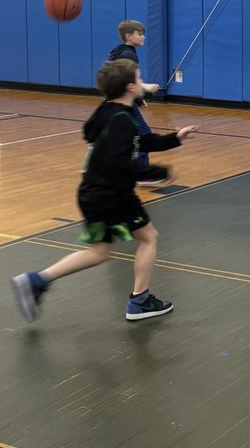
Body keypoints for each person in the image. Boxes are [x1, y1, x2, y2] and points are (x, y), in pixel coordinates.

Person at [12, 59, 197, 324]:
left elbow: (138, 142)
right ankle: (140, 300)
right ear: (131, 86)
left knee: (99, 252)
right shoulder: (122, 120)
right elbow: (120, 162)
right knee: (148, 237)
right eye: (139, 77)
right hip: (113, 196)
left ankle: (37, 281)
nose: (143, 81)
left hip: (92, 194)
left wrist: (175, 138)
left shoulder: (109, 112)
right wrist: (159, 173)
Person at [106, 20, 159, 167]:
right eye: (140, 34)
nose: (144, 37)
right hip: (123, 102)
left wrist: (139, 99)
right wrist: (143, 90)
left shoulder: (118, 51)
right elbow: (127, 79)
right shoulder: (129, 55)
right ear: (128, 36)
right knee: (144, 134)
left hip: (114, 101)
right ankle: (142, 172)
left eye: (144, 34)